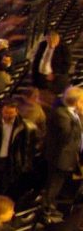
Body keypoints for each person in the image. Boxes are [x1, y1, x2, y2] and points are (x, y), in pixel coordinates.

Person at [44, 86, 83, 218]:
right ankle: (45, 209)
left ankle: (52, 205)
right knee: (53, 184)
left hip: (71, 156)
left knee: (60, 185)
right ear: (76, 101)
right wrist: (79, 118)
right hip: (60, 157)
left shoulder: (73, 113)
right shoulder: (61, 113)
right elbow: (66, 136)